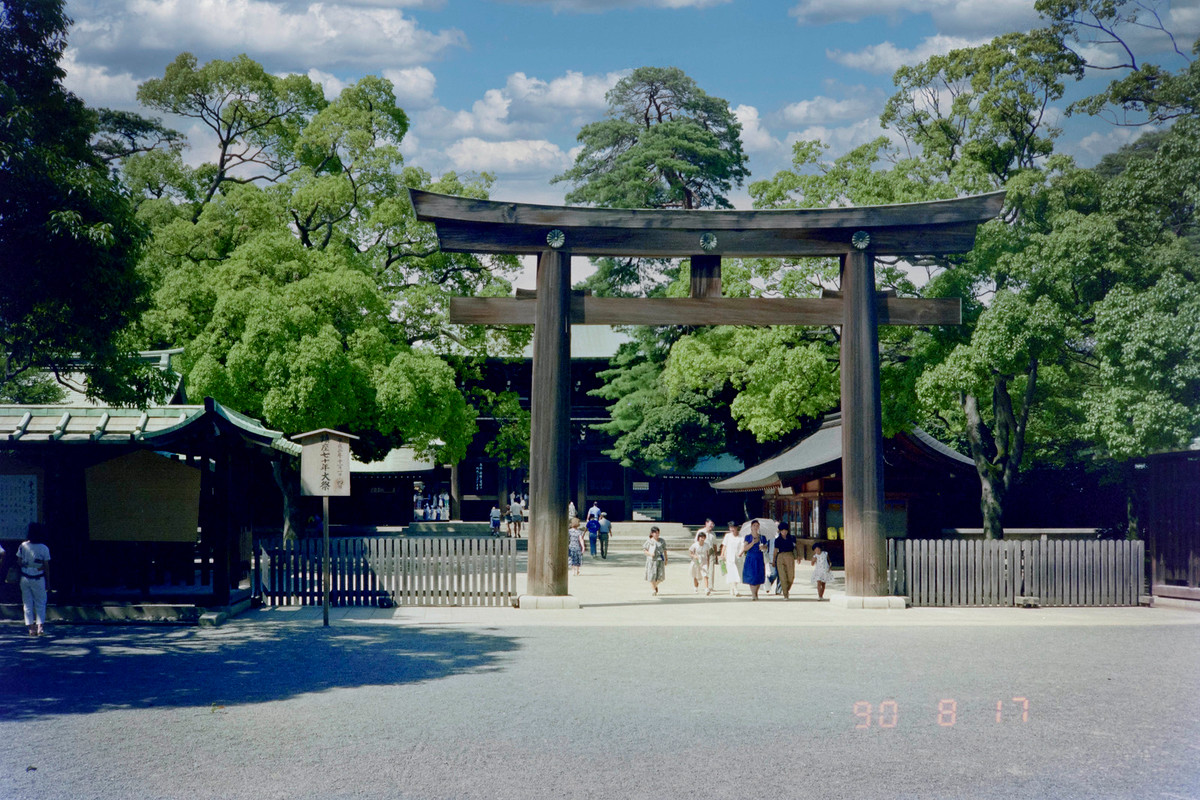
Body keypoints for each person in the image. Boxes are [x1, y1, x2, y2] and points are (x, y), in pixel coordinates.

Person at [18, 522, 51, 636]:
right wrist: (48, 581)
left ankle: (31, 628)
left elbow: (19, 561)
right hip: (38, 577)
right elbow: (46, 566)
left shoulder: (23, 546)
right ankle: (40, 627)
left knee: (27, 603)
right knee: (41, 602)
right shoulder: (43, 548)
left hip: (25, 577)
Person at [740, 519, 767, 600]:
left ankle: (756, 593)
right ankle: (753, 594)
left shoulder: (762, 537)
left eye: (757, 525)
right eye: (754, 525)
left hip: (759, 558)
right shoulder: (748, 537)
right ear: (751, 527)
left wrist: (763, 547)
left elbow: (766, 547)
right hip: (751, 558)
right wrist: (753, 542)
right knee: (752, 576)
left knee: (758, 576)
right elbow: (745, 548)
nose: (755, 527)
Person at [773, 523, 797, 600]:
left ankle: (786, 589)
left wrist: (798, 556)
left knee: (791, 576)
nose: (784, 532)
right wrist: (774, 560)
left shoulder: (792, 538)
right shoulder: (777, 540)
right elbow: (775, 551)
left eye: (785, 530)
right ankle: (785, 594)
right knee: (782, 576)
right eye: (782, 530)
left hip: (790, 556)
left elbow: (795, 548)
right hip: (780, 556)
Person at [720, 521, 743, 597]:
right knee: (732, 573)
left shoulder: (741, 537)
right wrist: (722, 554)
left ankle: (732, 587)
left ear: (737, 528)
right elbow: (724, 546)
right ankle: (735, 589)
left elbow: (743, 546)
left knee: (737, 573)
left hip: (738, 557)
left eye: (733, 527)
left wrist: (741, 553)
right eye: (731, 527)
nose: (732, 529)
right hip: (729, 557)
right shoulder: (727, 536)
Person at [643, 526, 667, 596]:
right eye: (655, 533)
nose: (657, 534)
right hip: (652, 560)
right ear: (652, 533)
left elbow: (665, 550)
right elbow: (644, 550)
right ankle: (653, 589)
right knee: (652, 575)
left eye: (658, 533)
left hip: (660, 559)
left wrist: (666, 559)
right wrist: (650, 554)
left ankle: (654, 585)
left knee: (660, 576)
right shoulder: (649, 541)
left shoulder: (662, 541)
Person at [688, 531, 714, 595]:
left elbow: (708, 553)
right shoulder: (695, 545)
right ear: (698, 538)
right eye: (700, 537)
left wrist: (708, 561)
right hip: (696, 562)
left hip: (704, 561)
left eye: (703, 537)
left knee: (705, 575)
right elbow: (691, 553)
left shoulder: (706, 545)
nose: (702, 539)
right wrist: (695, 556)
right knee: (696, 575)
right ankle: (696, 587)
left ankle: (706, 589)